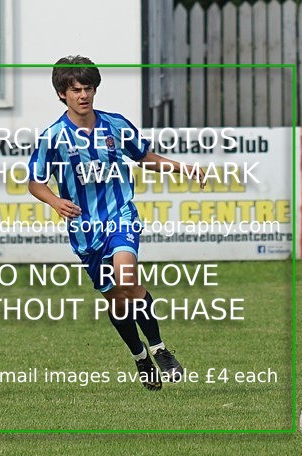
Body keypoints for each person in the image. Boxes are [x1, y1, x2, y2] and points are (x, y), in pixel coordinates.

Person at [28, 56, 204, 391]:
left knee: (127, 277)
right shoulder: (53, 137)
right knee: (117, 300)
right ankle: (140, 356)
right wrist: (54, 200)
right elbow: (35, 182)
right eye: (76, 90)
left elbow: (144, 157)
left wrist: (182, 167)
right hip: (85, 229)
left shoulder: (115, 125)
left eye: (88, 88)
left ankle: (159, 349)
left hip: (120, 215)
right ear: (62, 94)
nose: (83, 95)